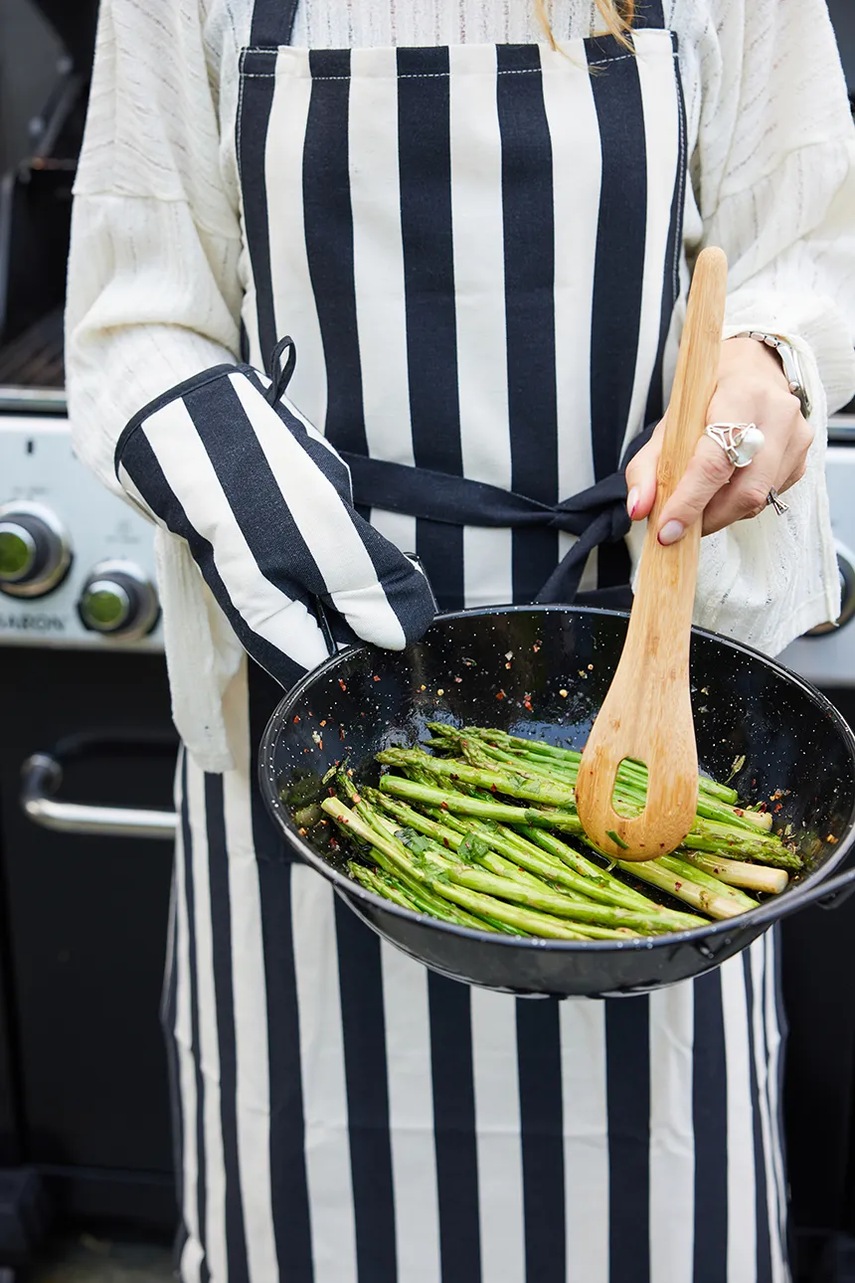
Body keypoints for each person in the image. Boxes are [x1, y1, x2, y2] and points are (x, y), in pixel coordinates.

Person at [65, 0, 855, 1279]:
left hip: (652, 705)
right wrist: (262, 515)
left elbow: (805, 247)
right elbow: (137, 311)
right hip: (321, 740)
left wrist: (768, 370)